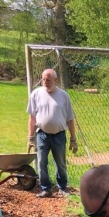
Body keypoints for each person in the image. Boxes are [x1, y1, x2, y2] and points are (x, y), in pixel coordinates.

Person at [27, 68, 78, 198]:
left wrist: (73, 139)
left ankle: (62, 188)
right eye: (43, 79)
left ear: (56, 80)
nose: (45, 82)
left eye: (48, 80)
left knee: (60, 163)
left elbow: (70, 119)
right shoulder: (36, 94)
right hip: (42, 135)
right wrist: (30, 137)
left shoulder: (64, 96)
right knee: (41, 162)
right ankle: (46, 189)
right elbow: (32, 118)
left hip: (59, 135)